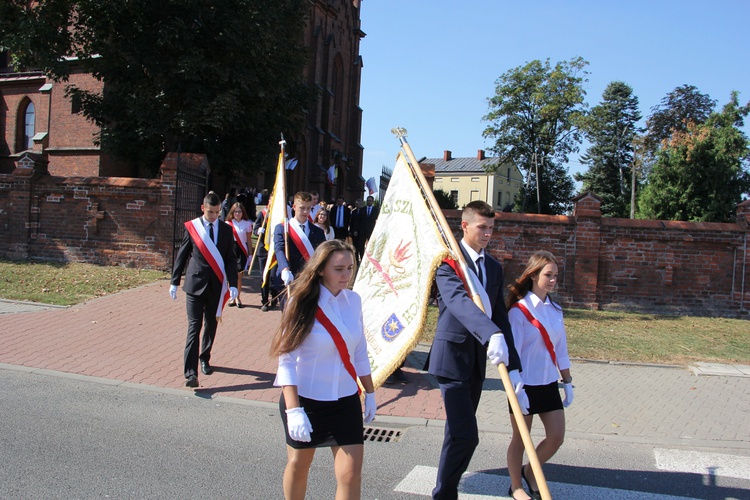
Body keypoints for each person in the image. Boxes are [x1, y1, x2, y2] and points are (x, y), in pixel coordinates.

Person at [424, 200, 527, 500]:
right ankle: (445, 494)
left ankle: (444, 491)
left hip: (478, 362)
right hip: (450, 359)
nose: (488, 234)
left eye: (492, 229)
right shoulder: (446, 262)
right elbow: (458, 303)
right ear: (465, 226)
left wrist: (515, 364)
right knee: (467, 436)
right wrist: (490, 334)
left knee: (455, 435)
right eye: (482, 227)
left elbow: (500, 317)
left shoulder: (493, 267)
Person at [269, 239, 376, 500]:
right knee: (299, 466)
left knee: (351, 474)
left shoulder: (354, 301)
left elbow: (359, 350)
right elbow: (286, 360)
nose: (346, 275)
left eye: (350, 268)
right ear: (320, 270)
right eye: (339, 269)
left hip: (345, 399)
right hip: (306, 400)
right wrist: (294, 410)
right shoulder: (301, 301)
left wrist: (370, 392)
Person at [505, 251, 573, 500]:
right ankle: (516, 486)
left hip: (548, 383)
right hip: (524, 385)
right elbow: (513, 354)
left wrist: (567, 382)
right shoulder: (518, 311)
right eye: (548, 275)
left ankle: (530, 471)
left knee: (556, 437)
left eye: (555, 275)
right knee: (520, 440)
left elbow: (561, 349)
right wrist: (516, 388)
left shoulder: (554, 309)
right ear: (533, 275)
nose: (553, 280)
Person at [169, 191, 239, 388]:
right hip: (194, 284)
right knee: (194, 327)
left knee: (211, 324)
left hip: (216, 285)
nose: (214, 216)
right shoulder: (193, 228)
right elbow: (182, 255)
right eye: (210, 212)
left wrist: (233, 284)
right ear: (203, 209)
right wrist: (174, 281)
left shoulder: (226, 230)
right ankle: (191, 373)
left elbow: (230, 259)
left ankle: (204, 357)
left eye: (217, 212)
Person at [273, 192, 326, 297]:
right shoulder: (283, 228)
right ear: (294, 207)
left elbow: (322, 254)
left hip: (309, 279)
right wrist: (285, 269)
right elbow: (279, 249)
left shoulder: (318, 231)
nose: (306, 211)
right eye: (302, 208)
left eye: (308, 208)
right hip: (289, 277)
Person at [225, 202, 253, 308]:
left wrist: (250, 255)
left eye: (239, 211)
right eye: (235, 211)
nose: (237, 213)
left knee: (239, 275)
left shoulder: (247, 224)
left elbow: (249, 241)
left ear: (243, 212)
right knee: (231, 274)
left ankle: (237, 297)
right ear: (232, 212)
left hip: (242, 251)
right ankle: (231, 297)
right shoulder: (227, 223)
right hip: (231, 250)